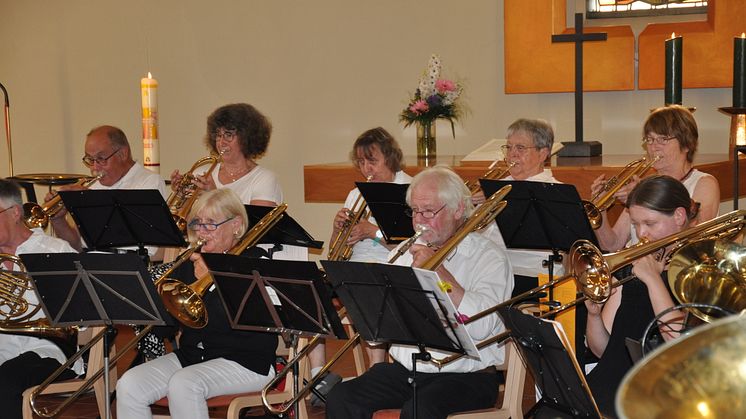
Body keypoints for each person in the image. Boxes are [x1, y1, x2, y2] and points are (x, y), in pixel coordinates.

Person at [325, 166, 514, 419]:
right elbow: (379, 325)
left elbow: (484, 325)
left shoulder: (488, 257)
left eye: (428, 211)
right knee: (342, 397)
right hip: (408, 371)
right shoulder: (405, 251)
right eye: (415, 211)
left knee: (419, 410)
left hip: (468, 375)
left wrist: (441, 274)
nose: (419, 220)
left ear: (458, 209)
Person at [116, 188, 278, 419]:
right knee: (130, 384)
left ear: (236, 224)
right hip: (194, 357)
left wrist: (213, 277)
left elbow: (242, 321)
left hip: (246, 361)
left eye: (211, 223)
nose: (202, 231)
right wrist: (148, 304)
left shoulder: (254, 261)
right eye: (197, 223)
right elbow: (166, 328)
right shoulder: (188, 262)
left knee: (184, 384)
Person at [308, 127, 412, 406]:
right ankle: (318, 375)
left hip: (391, 265)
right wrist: (337, 229)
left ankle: (376, 374)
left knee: (369, 291)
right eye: (361, 162)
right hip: (354, 266)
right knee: (310, 291)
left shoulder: (409, 190)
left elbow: (412, 247)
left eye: (372, 161)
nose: (366, 168)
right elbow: (336, 251)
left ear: (390, 158)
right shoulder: (356, 195)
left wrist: (372, 232)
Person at [584, 175, 693, 417]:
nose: (641, 233)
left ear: (679, 216)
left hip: (654, 397)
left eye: (650, 223)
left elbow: (680, 344)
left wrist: (653, 279)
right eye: (635, 225)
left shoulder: (697, 270)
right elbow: (603, 350)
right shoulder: (630, 267)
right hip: (607, 388)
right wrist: (593, 315)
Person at [0, 179, 82, 419]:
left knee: (5, 381)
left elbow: (84, 316)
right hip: (3, 345)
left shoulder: (55, 251)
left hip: (46, 348)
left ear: (15, 212)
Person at [593, 105, 719, 252]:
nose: (654, 147)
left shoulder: (704, 183)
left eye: (663, 139)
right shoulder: (646, 185)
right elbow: (612, 244)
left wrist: (644, 201)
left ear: (687, 144)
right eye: (650, 139)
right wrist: (599, 209)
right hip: (637, 268)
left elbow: (695, 235)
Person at [49, 125, 167, 252]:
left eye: (101, 159)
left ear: (123, 153)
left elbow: (141, 242)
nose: (94, 168)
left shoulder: (149, 182)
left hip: (128, 265)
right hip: (91, 264)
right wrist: (58, 220)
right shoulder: (93, 187)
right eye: (90, 159)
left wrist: (92, 200)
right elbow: (76, 247)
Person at [497, 118, 562, 297]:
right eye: (509, 147)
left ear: (543, 154)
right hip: (495, 272)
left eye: (520, 148)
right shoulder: (496, 187)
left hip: (533, 276)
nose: (512, 154)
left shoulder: (556, 192)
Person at [171, 103, 282, 207]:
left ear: (246, 138)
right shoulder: (200, 174)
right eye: (218, 135)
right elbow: (183, 223)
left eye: (228, 135)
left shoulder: (264, 179)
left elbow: (257, 226)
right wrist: (181, 196)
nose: (221, 142)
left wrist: (216, 196)